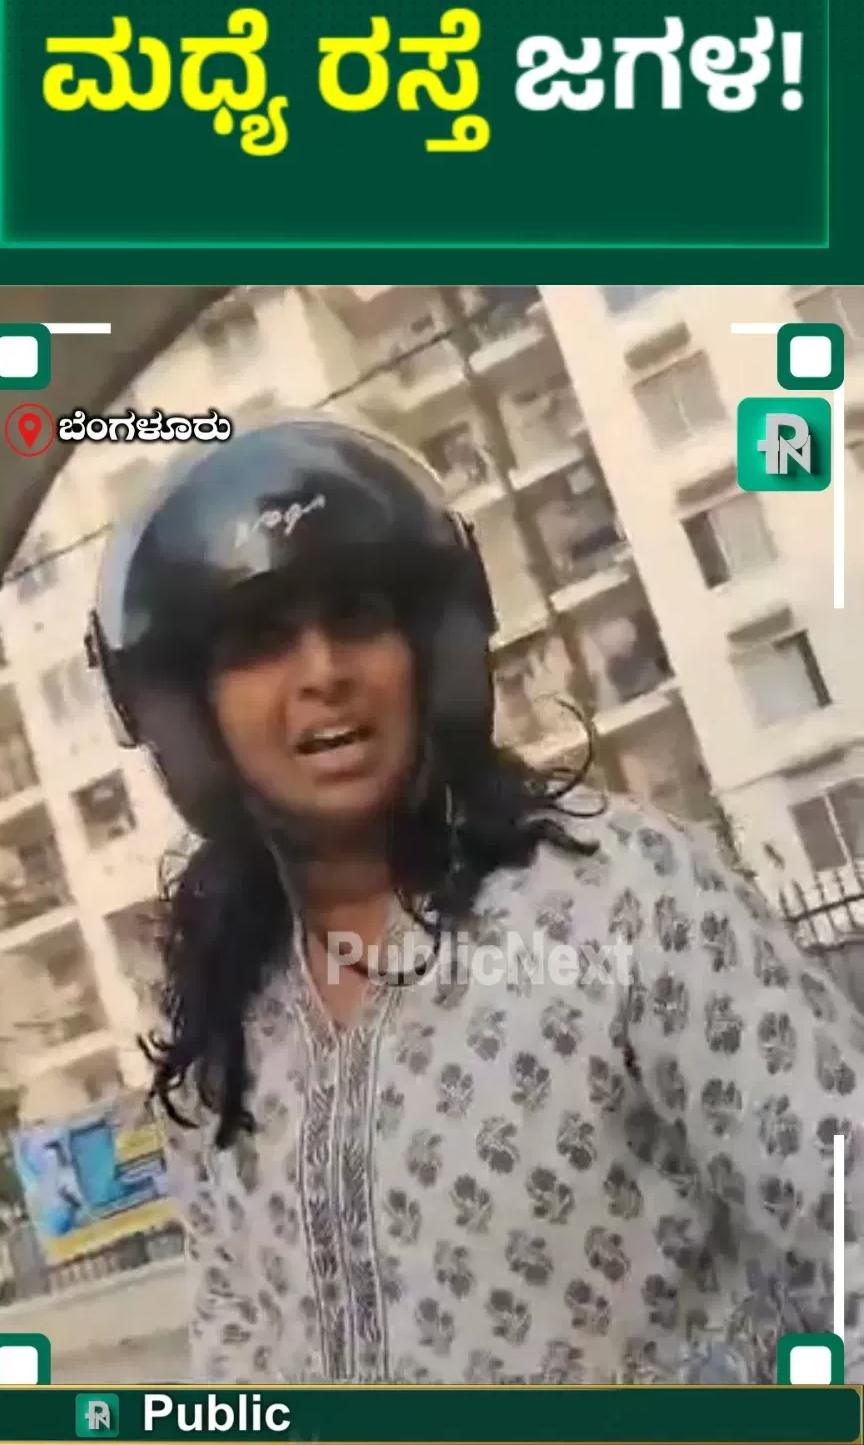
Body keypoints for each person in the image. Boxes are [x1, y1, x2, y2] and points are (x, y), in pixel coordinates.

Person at [86, 412, 864, 1386]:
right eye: (260, 640)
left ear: (431, 648)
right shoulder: (220, 1031)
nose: (324, 673)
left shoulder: (623, 895)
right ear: (184, 713)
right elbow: (237, 1351)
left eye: (358, 617)